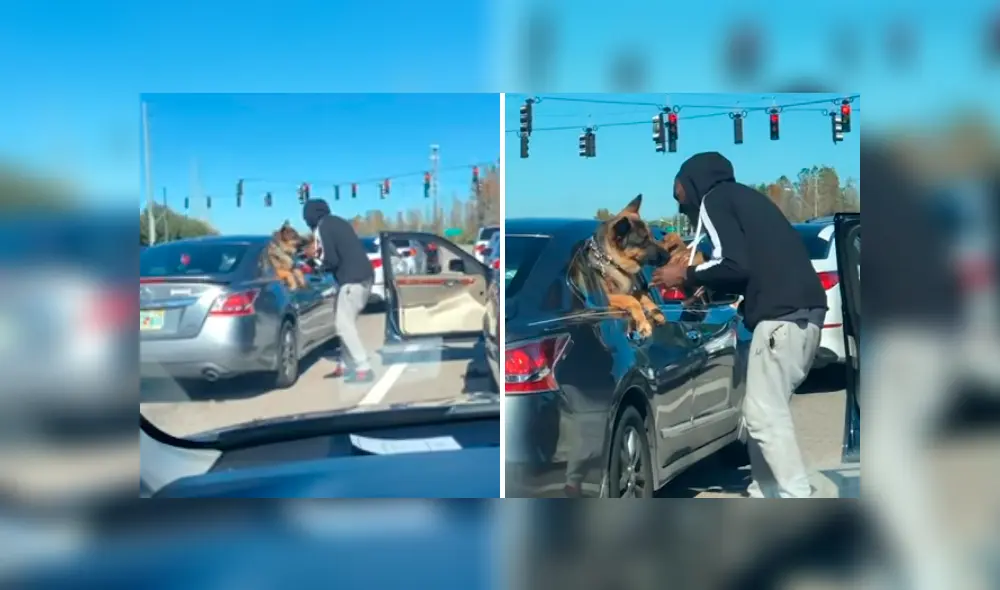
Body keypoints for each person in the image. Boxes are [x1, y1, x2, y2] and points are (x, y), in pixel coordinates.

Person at [652, 152, 827, 498]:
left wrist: (683, 274)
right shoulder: (746, 199)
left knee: (763, 414)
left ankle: (796, 494)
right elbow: (747, 267)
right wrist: (707, 287)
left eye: (679, 194)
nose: (680, 204)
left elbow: (735, 264)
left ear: (693, 183)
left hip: (781, 318)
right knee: (760, 411)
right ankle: (765, 490)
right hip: (804, 316)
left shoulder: (715, 200)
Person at [302, 198, 376, 383]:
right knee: (346, 322)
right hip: (365, 277)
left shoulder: (322, 227)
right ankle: (345, 365)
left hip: (352, 280)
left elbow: (331, 259)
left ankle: (363, 367)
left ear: (310, 216)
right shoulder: (339, 222)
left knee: (343, 325)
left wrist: (313, 265)